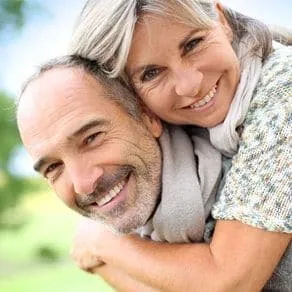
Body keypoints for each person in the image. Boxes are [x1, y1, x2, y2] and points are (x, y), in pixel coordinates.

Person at [68, 0, 292, 291]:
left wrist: (104, 242)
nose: (190, 85)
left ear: (221, 20)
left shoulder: (284, 92)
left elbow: (229, 281)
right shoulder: (183, 141)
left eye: (193, 44)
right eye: (151, 73)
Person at [17, 55, 225, 291]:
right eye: (53, 167)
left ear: (147, 117)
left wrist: (102, 245)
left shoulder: (238, 178)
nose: (83, 184)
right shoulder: (147, 227)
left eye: (92, 138)